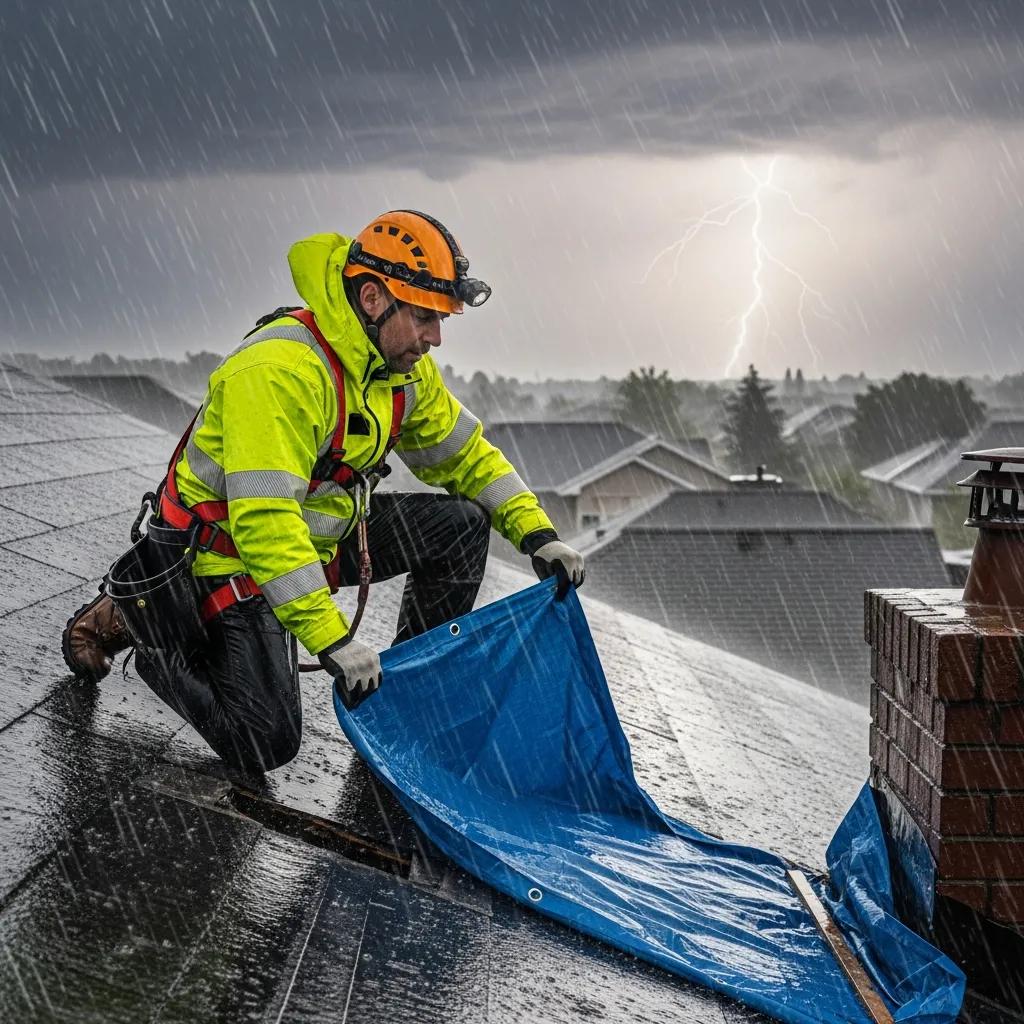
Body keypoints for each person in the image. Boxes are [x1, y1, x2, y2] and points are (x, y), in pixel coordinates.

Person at [62, 210, 585, 775]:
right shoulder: (279, 371)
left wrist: (538, 533)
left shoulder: (399, 369)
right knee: (265, 741)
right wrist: (330, 640)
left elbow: (465, 455)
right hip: (222, 556)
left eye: (442, 320)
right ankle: (149, 631)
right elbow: (265, 520)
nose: (435, 338)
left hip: (317, 537)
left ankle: (405, 700)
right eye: (425, 317)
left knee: (461, 524)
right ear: (371, 299)